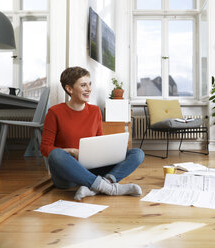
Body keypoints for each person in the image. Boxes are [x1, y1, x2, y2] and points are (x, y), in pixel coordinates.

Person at [41, 66, 144, 200]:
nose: (89, 89)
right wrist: (71, 151)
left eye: (89, 84)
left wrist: (112, 151)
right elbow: (44, 148)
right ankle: (110, 188)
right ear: (69, 89)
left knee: (137, 153)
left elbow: (99, 141)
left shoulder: (95, 111)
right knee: (56, 155)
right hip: (68, 176)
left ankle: (97, 186)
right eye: (83, 85)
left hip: (93, 169)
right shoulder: (55, 112)